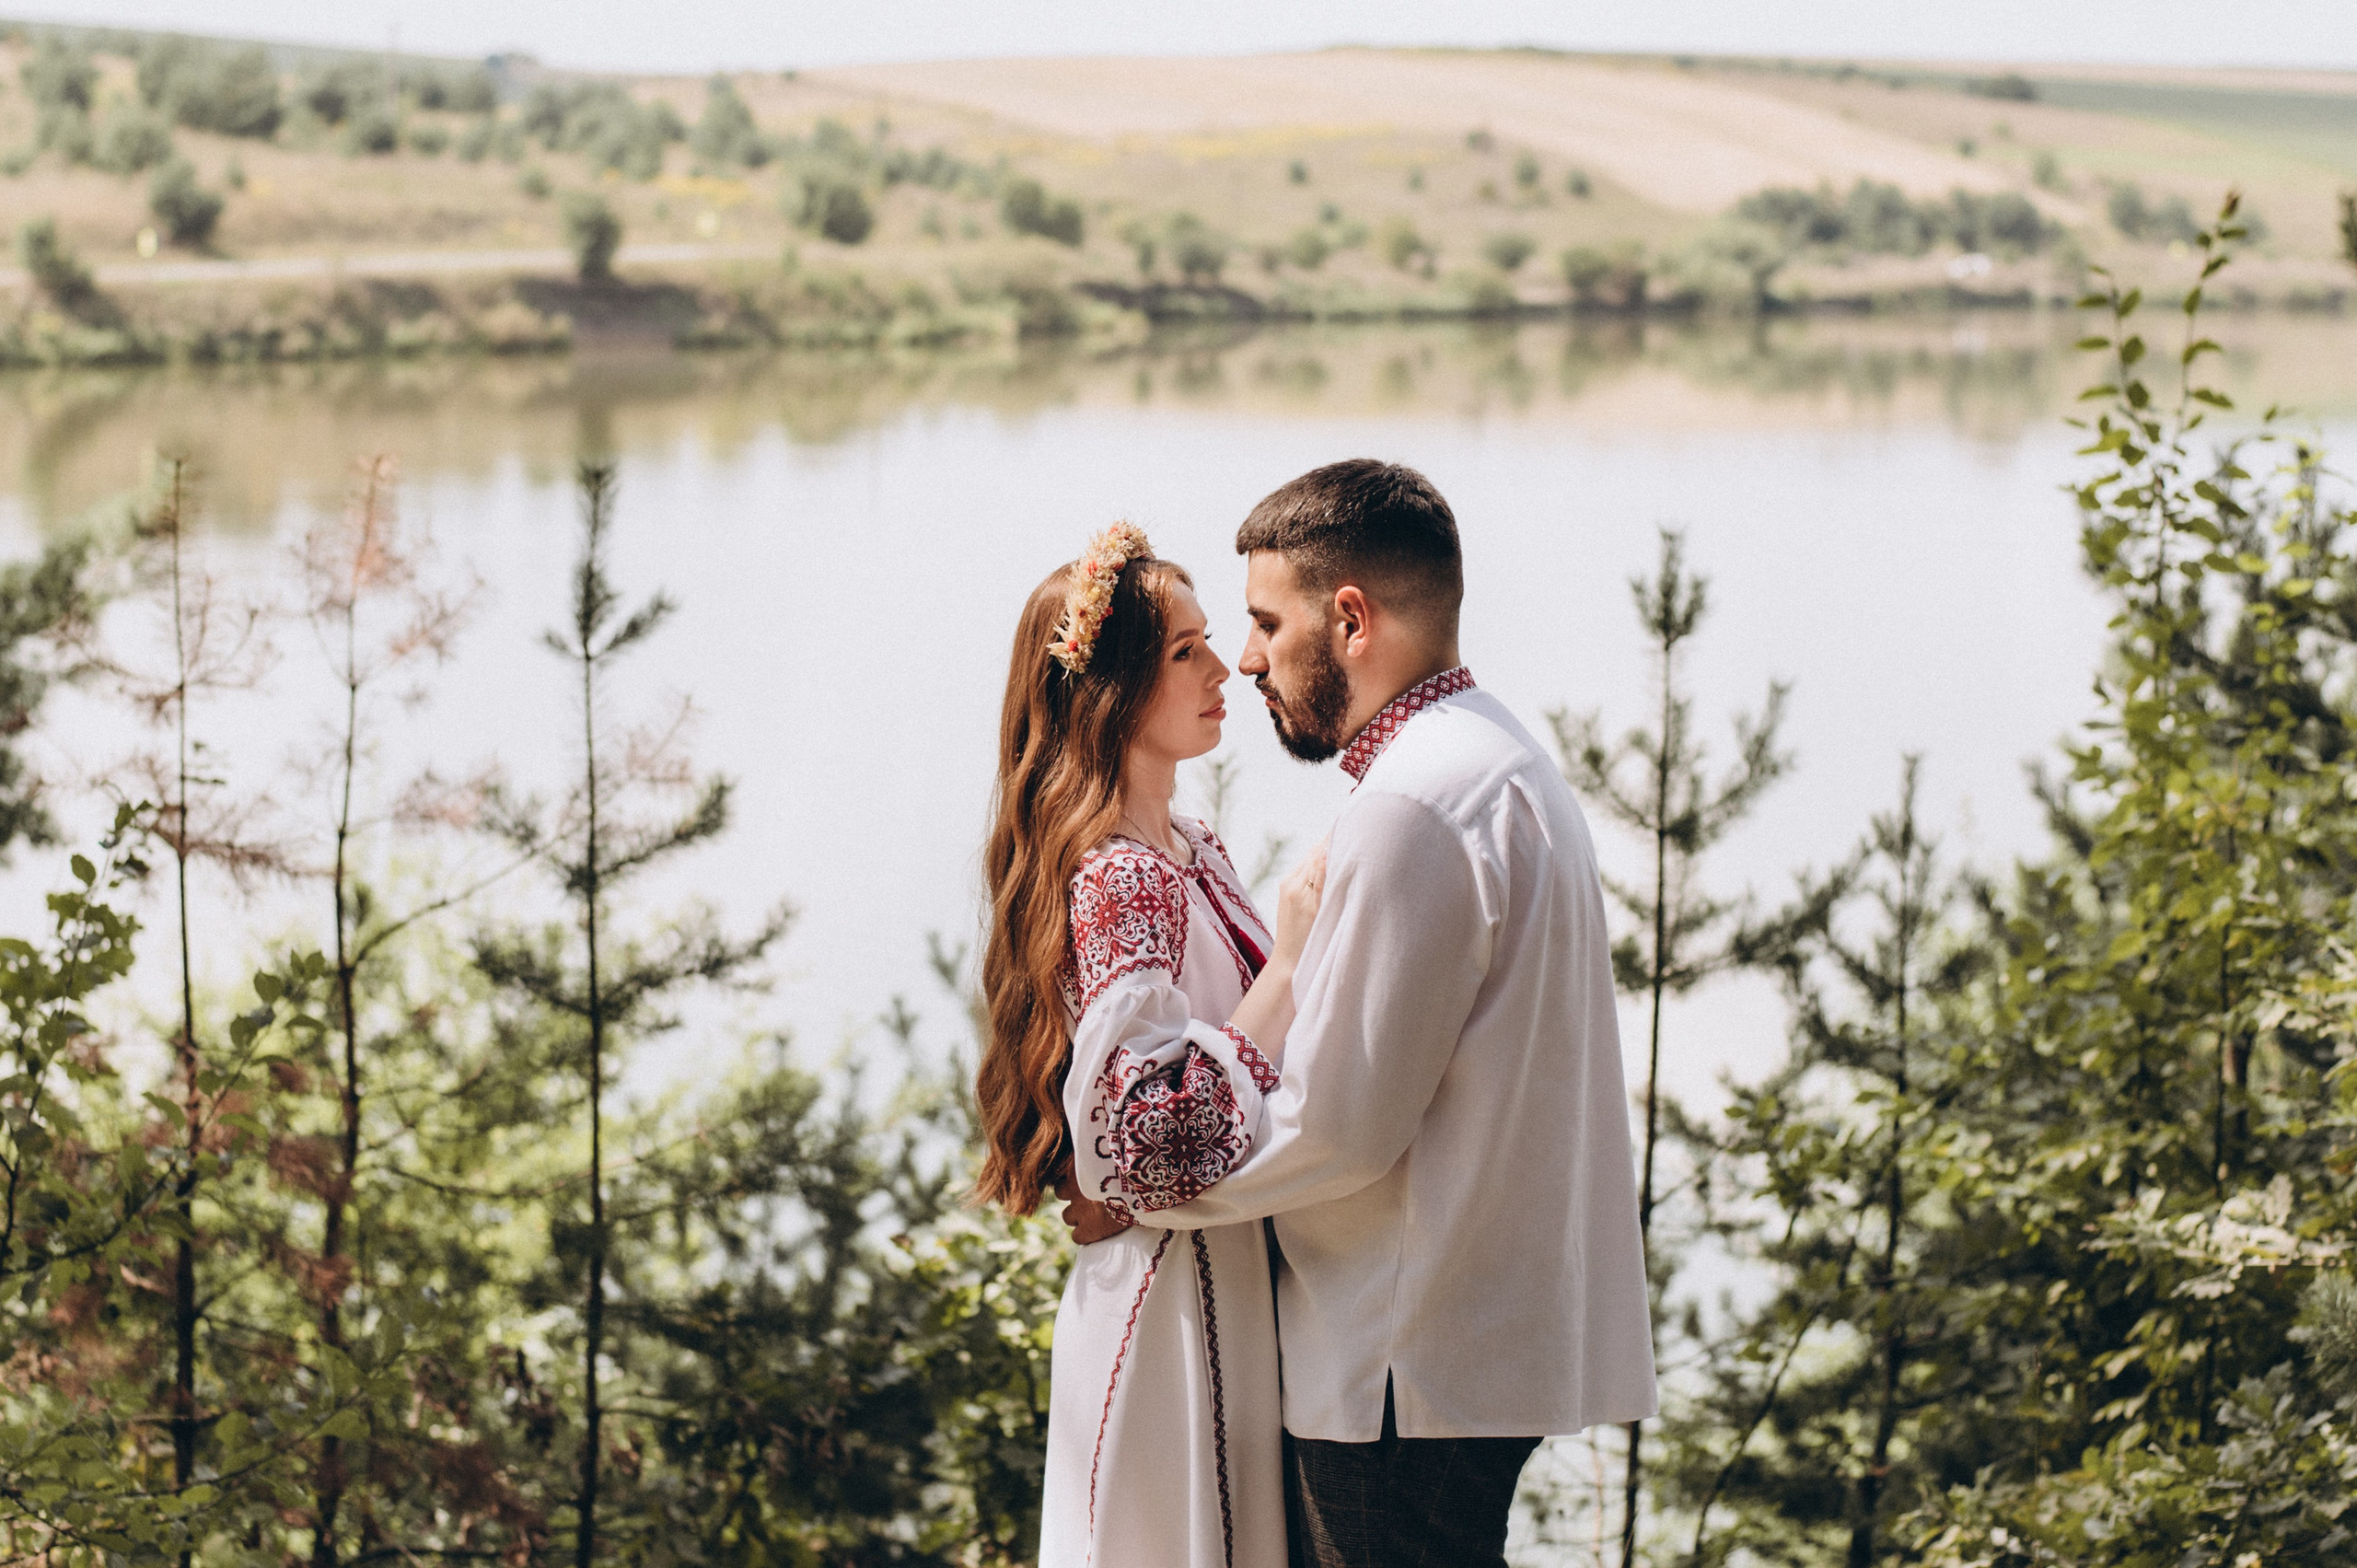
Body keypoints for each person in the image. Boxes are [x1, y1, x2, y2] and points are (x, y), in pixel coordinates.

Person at [1066, 460, 1658, 1568]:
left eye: (1261, 621)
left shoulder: (1412, 811)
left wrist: (1147, 1197)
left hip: (1401, 1360)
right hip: (1464, 1342)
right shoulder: (1499, 757)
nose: (1245, 659)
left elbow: (1338, 1124)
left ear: (1349, 618)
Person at [974, 521, 1324, 1568]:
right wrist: (1293, 962)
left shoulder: (1189, 849)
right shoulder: (1124, 876)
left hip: (1209, 1281)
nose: (1227, 668)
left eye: (1213, 639)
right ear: (1111, 689)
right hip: (1172, 1308)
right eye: (1186, 651)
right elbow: (1141, 1144)